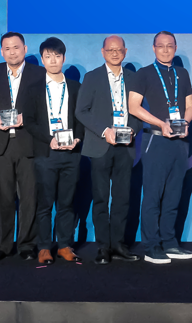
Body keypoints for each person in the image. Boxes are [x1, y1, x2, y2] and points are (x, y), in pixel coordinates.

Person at [128, 31, 192, 264]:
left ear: (175, 48)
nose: (166, 50)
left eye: (170, 46)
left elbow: (190, 106)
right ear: (154, 48)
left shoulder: (182, 74)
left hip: (179, 143)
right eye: (161, 46)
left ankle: (169, 242)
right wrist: (161, 124)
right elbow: (133, 106)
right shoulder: (144, 73)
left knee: (173, 195)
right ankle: (151, 246)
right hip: (155, 141)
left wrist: (184, 123)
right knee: (153, 196)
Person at [0, 31, 46, 260]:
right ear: (1, 52)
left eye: (16, 47)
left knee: (29, 198)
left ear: (25, 49)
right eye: (7, 49)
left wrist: (27, 118)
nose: (12, 52)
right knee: (3, 198)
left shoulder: (39, 74)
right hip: (0, 145)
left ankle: (27, 245)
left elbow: (45, 107)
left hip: (29, 144)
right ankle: (3, 245)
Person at [75, 35, 139, 264]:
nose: (114, 53)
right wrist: (105, 131)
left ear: (125, 51)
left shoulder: (134, 78)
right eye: (110, 49)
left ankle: (119, 245)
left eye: (118, 49)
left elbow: (139, 111)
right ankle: (103, 246)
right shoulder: (92, 77)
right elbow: (81, 111)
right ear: (102, 52)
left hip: (126, 146)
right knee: (101, 198)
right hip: (100, 146)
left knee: (122, 198)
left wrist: (133, 130)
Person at [21, 37, 84, 265]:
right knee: (45, 204)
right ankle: (44, 247)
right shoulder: (33, 89)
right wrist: (49, 140)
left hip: (71, 154)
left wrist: (78, 138)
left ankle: (65, 245)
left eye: (57, 56)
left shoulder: (75, 87)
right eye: (48, 56)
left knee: (67, 203)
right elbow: (29, 121)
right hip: (45, 154)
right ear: (42, 59)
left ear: (64, 58)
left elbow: (82, 118)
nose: (53, 60)